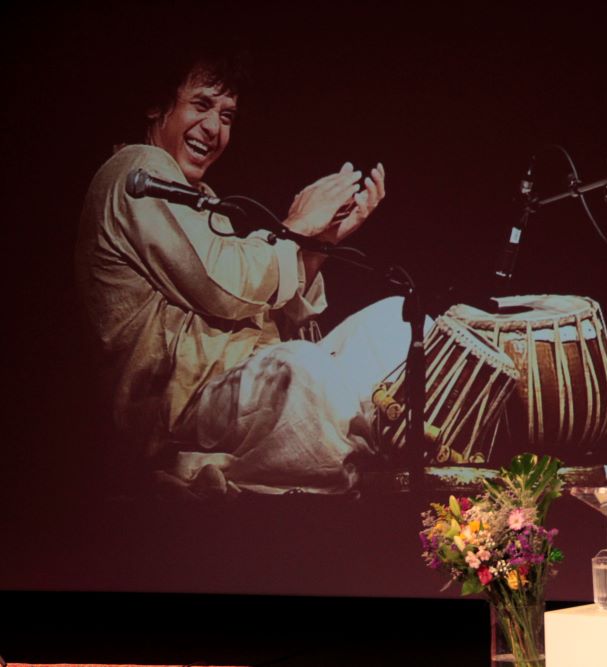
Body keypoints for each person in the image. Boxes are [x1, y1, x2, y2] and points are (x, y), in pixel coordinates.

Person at [75, 49, 416, 498]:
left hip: (237, 384)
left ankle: (369, 450)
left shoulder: (200, 199)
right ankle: (368, 461)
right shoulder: (138, 171)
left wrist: (323, 240)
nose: (214, 129)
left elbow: (259, 308)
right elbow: (222, 286)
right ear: (157, 106)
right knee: (303, 372)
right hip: (183, 408)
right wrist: (296, 226)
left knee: (398, 322)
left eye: (227, 116)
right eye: (201, 105)